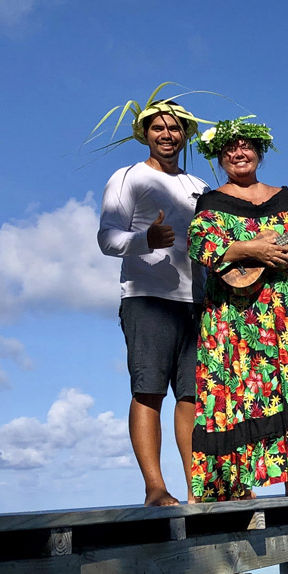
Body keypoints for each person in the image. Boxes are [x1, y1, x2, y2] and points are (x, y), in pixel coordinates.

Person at [188, 117, 288, 501]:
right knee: (239, 393)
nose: (238, 153)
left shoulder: (284, 199)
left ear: (259, 152)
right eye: (230, 149)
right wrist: (247, 250)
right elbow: (199, 245)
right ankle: (235, 486)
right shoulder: (211, 202)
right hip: (235, 318)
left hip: (286, 316)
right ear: (220, 157)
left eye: (245, 147)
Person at [97, 99, 209, 507]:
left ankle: (200, 488)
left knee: (193, 397)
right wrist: (145, 240)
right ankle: (155, 488)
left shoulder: (199, 187)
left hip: (195, 302)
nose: (167, 134)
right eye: (159, 127)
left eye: (175, 128)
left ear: (185, 135)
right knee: (148, 391)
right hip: (147, 298)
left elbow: (213, 246)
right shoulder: (127, 177)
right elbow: (107, 238)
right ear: (144, 132)